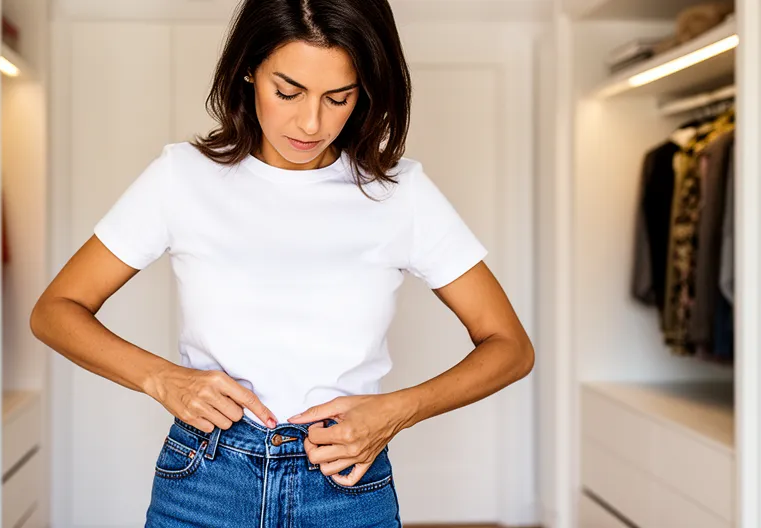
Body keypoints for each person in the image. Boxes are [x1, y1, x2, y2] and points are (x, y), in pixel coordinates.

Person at [30, 0, 534, 525]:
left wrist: (397, 411)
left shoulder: (400, 194)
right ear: (249, 69)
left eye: (338, 97)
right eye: (287, 91)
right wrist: (161, 378)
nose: (311, 122)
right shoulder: (182, 177)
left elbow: (510, 347)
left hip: (345, 485)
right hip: (206, 479)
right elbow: (55, 310)